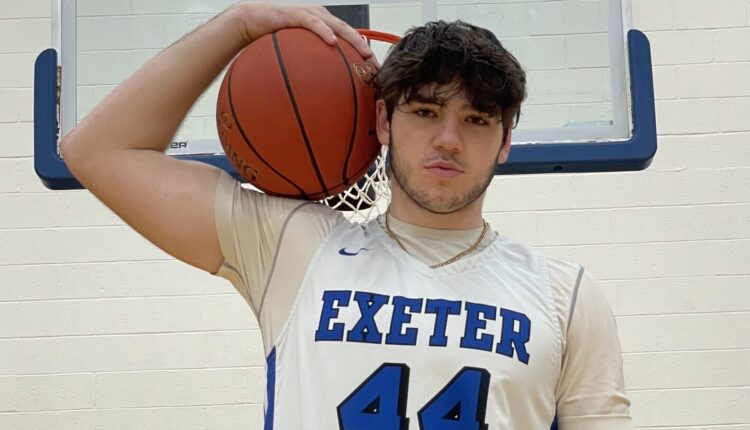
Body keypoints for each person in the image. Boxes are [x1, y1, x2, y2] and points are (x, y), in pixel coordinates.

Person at [60, 2, 631, 428]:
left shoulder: (565, 296)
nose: (448, 139)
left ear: (505, 142)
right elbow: (96, 150)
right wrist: (239, 24)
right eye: (425, 112)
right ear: (382, 122)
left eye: (477, 120)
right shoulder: (293, 246)